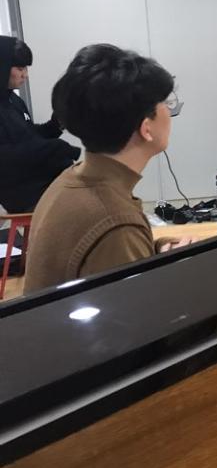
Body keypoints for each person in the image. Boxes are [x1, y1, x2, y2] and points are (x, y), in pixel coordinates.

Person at [23, 44, 191, 293]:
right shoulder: (115, 223)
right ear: (146, 129)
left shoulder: (70, 180)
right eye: (165, 103)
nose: (170, 111)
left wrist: (154, 252)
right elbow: (140, 312)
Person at [0, 36, 80, 213]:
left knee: (90, 182)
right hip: (22, 192)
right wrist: (54, 147)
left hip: (41, 179)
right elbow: (6, 157)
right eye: (20, 68)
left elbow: (28, 136)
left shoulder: (13, 100)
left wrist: (56, 124)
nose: (25, 75)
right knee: (87, 199)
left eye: (26, 68)